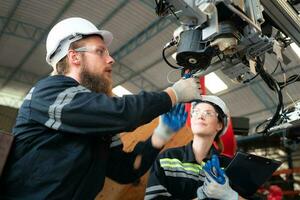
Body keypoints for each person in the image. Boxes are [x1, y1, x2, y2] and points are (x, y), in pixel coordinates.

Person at [0, 17, 202, 200]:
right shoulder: (48, 93)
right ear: (74, 57)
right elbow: (121, 113)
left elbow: (124, 170)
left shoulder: (94, 119)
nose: (110, 59)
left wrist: (160, 135)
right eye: (100, 51)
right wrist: (173, 95)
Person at [144, 95, 246, 200]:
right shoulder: (168, 158)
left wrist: (231, 196)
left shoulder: (229, 166)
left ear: (219, 125)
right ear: (191, 120)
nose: (200, 116)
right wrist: (202, 197)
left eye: (208, 113)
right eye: (196, 112)